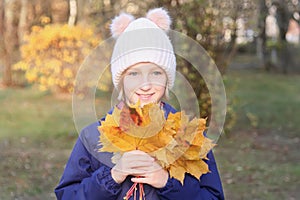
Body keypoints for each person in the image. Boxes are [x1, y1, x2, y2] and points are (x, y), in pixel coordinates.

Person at [55, 7, 224, 200]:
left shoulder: (188, 137)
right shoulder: (94, 136)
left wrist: (168, 183)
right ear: (121, 81)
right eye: (134, 74)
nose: (146, 85)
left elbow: (213, 197)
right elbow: (68, 196)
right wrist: (112, 177)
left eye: (156, 73)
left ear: (167, 80)